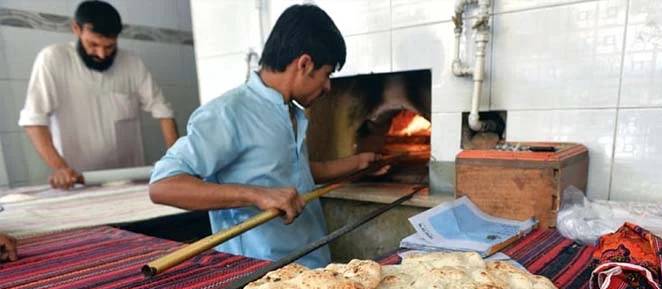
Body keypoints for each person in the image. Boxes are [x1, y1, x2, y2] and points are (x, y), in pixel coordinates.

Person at [149, 4, 387, 268]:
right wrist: (256, 195)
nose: (328, 86)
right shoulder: (228, 113)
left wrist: (358, 164)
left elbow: (295, 173)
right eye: (327, 74)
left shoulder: (291, 113)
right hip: (259, 275)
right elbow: (163, 186)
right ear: (304, 64)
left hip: (312, 263)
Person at [19, 0, 179, 190]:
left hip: (132, 182)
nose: (102, 54)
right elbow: (34, 121)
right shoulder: (53, 59)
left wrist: (176, 163)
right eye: (93, 44)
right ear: (76, 29)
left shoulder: (132, 63)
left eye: (110, 46)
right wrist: (61, 168)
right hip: (78, 182)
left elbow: (164, 113)